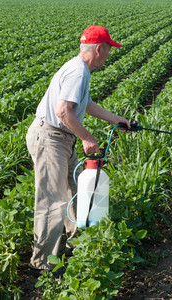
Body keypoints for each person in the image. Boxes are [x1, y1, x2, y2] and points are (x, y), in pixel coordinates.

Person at [25, 24, 130, 277]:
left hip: (61, 138)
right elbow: (63, 111)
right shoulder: (77, 73)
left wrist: (117, 119)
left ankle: (76, 243)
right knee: (53, 201)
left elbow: (87, 104)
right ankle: (42, 264)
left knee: (74, 191)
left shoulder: (80, 68)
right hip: (51, 137)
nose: (109, 54)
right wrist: (87, 137)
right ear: (99, 48)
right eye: (109, 49)